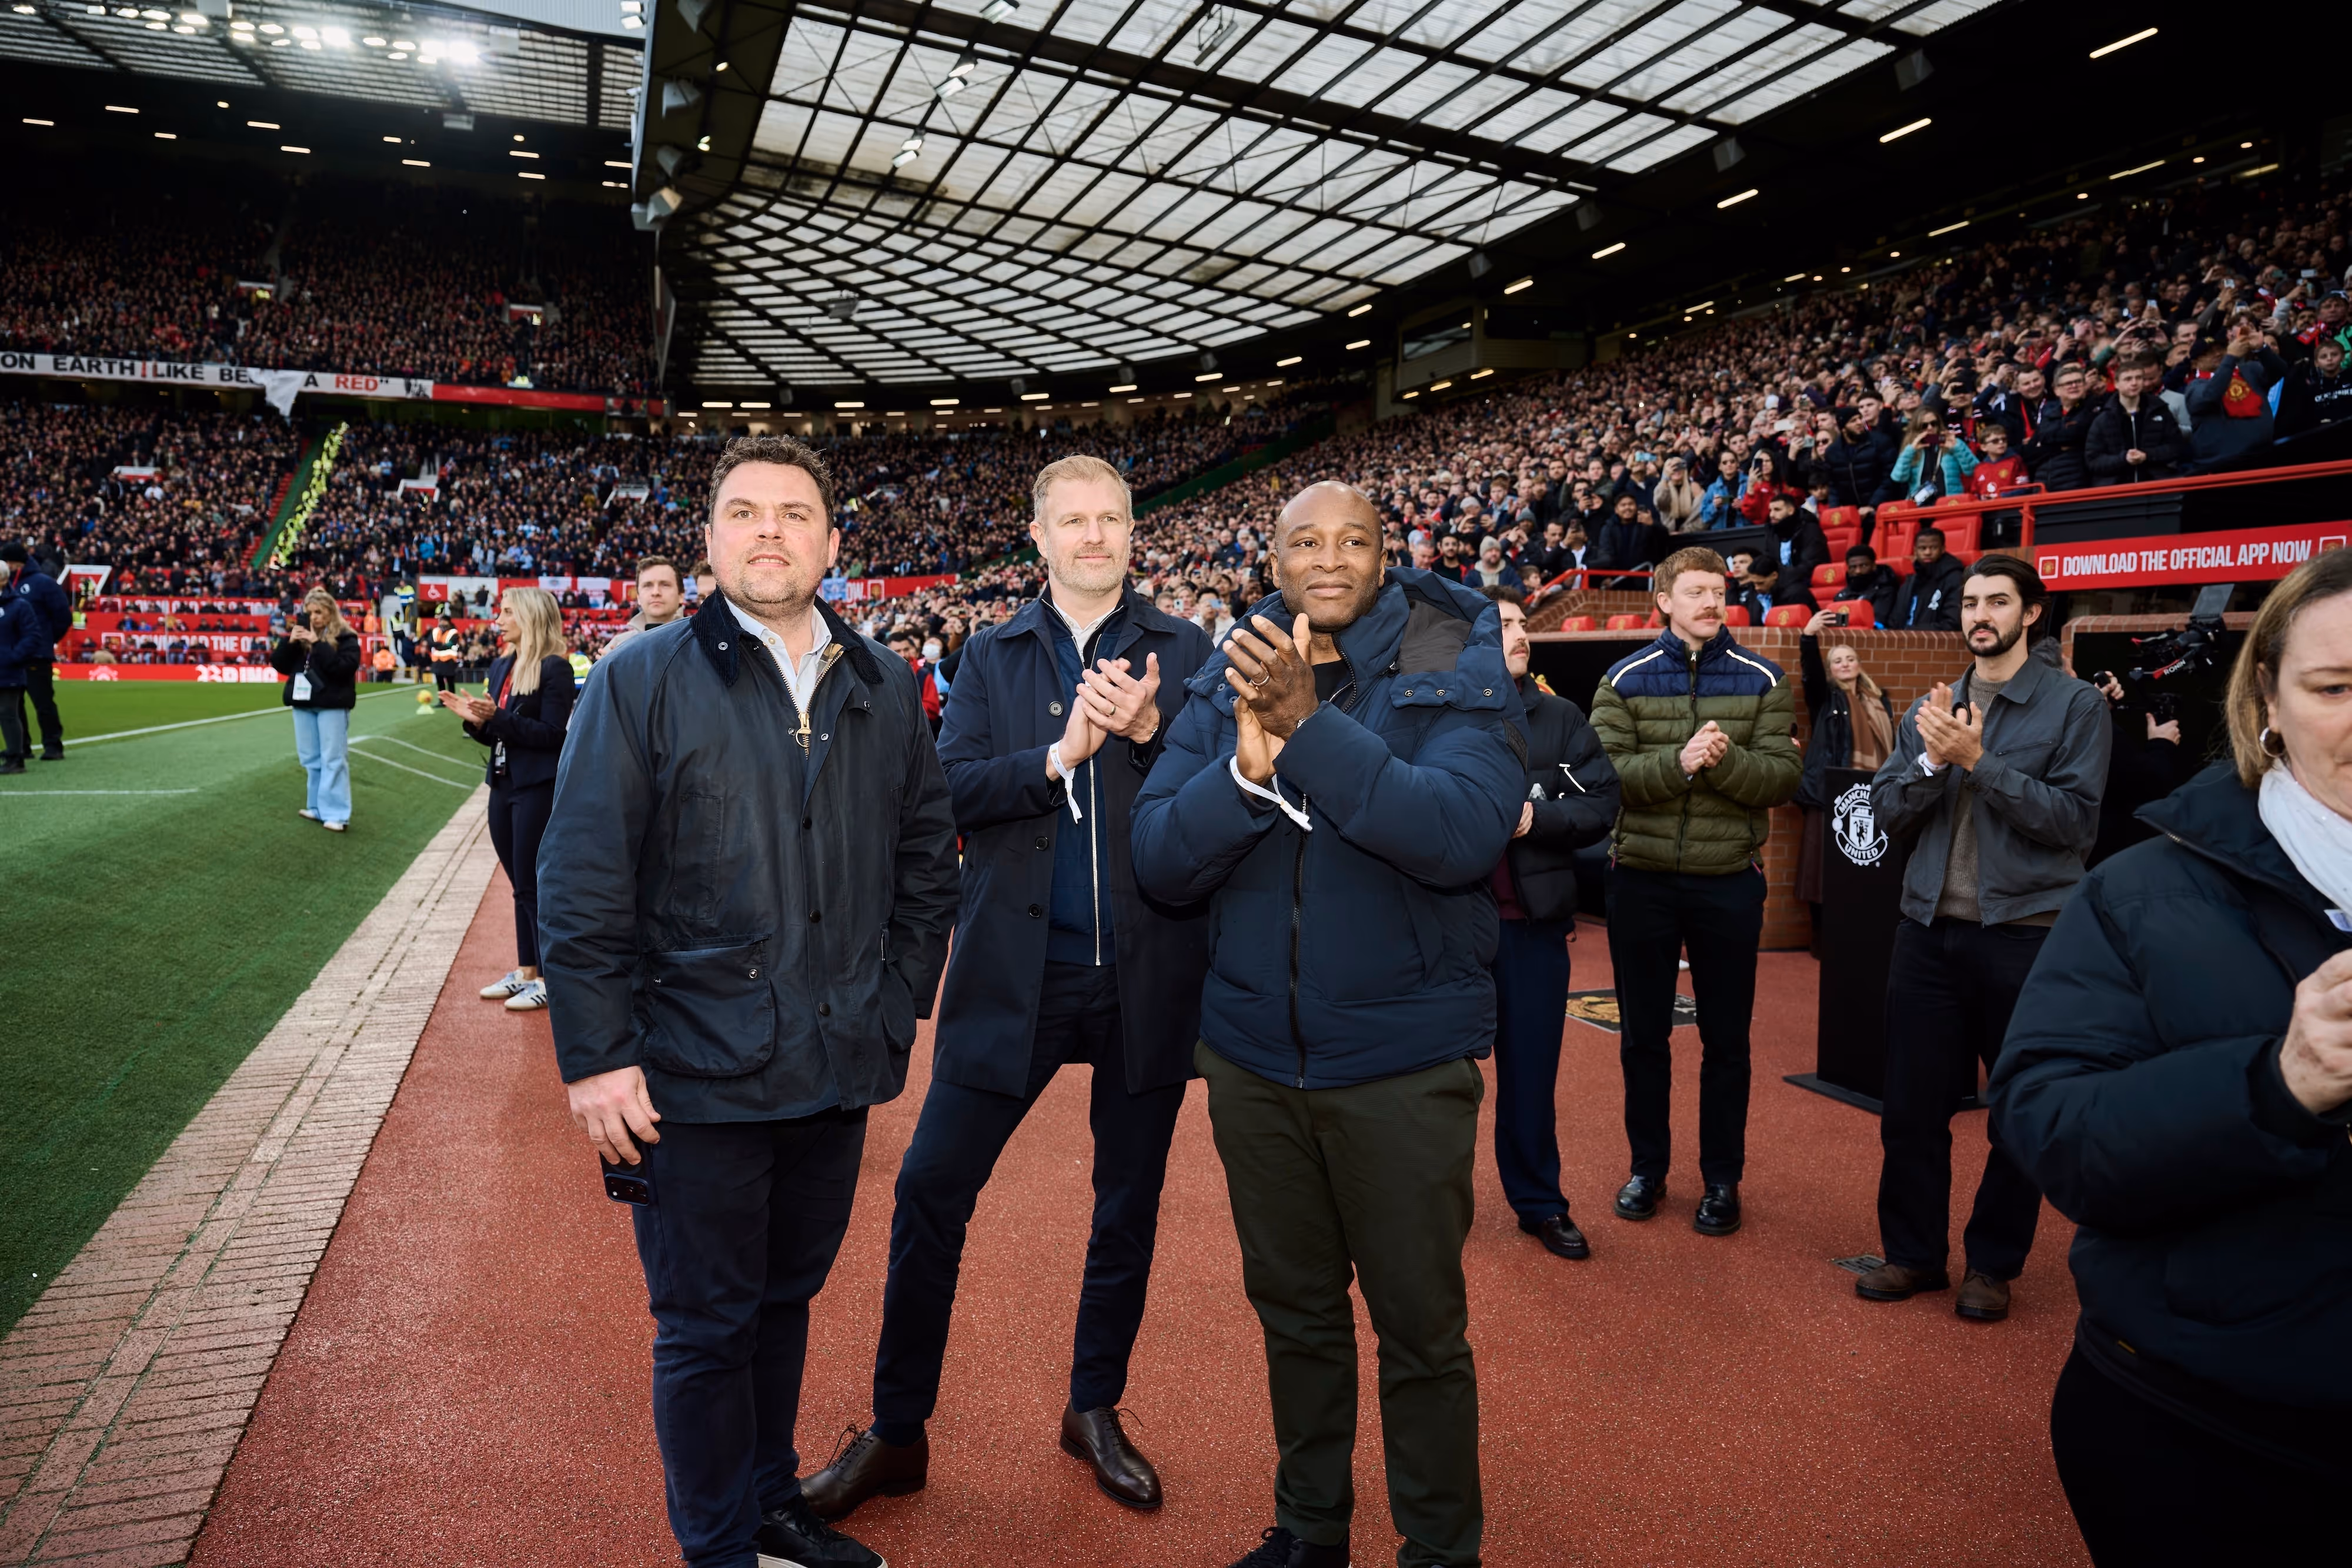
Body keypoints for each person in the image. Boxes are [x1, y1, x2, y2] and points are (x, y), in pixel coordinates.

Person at [536, 434, 960, 1568]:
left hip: (832, 1067)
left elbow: (930, 865)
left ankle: (772, 1500)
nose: (770, 529)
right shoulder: (639, 677)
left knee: (785, 1300)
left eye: (794, 511)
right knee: (706, 1325)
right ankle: (719, 1546)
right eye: (745, 510)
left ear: (831, 540)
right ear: (711, 538)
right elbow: (579, 884)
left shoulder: (881, 683)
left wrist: (892, 1005)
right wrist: (595, 1057)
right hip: (692, 1072)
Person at [802, 455, 1213, 1521]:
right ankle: (898, 1429)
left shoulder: (1184, 649)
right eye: (1072, 521)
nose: (1093, 536)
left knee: (1126, 1204)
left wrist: (1154, 733)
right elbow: (948, 795)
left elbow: (1222, 798)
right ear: (1037, 538)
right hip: (1011, 977)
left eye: (1111, 517)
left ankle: (1094, 1405)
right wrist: (1062, 751)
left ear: (1134, 529)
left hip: (1147, 978)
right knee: (932, 1189)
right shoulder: (990, 653)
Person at [1131, 482, 1524, 1568]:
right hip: (1255, 1061)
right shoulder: (1231, 662)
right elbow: (1158, 856)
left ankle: (1441, 1546)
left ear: (1384, 551)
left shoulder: (1456, 647)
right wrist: (1246, 778)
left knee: (1420, 1330)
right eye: (1306, 541)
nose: (1330, 558)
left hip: (1400, 1062)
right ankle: (1310, 1526)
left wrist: (1306, 729)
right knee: (1295, 1313)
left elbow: (1459, 831)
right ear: (1274, 553)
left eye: (1354, 539)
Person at [1992, 550, 2352, 1563]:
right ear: (2267, 701)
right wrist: (2276, 1085)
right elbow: (2054, 1131)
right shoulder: (2143, 892)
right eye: (2335, 687)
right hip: (2216, 1428)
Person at [1857, 556, 2107, 1322]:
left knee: (2020, 1110)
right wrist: (1934, 757)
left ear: (2031, 613)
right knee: (1910, 1108)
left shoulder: (2075, 706)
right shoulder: (1935, 705)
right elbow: (1889, 812)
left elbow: (2073, 825)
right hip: (1927, 931)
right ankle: (1913, 1255)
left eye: (1997, 600)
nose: (1980, 613)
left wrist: (1980, 763)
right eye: (1970, 601)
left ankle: (1993, 1264)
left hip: (2025, 936)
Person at [1591, 547, 1801, 1235]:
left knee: (1726, 1042)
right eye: (1695, 592)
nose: (1711, 603)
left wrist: (1725, 759)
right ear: (1663, 601)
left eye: (1718, 591)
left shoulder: (1764, 678)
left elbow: (1778, 780)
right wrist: (1678, 764)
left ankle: (1721, 1181)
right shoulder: (1621, 679)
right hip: (1642, 882)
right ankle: (1646, 1169)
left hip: (1727, 886)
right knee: (1643, 1039)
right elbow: (1607, 779)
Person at [1482, 585, 1621, 1259]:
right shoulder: (1437, 716)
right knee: (1434, 1081)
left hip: (1534, 934)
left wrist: (1539, 819)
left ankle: (1538, 1202)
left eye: (1521, 624)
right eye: (1503, 624)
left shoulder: (1560, 717)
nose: (1519, 635)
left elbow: (1602, 803)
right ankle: (1428, 1207)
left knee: (1531, 1077)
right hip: (1450, 931)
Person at [442, 586, 575, 1013]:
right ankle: (527, 971)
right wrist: (475, 723)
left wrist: (496, 718)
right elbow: (499, 728)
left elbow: (554, 735)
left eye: (506, 612)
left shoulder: (554, 667)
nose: (498, 619)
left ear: (530, 617)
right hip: (502, 781)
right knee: (519, 885)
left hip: (536, 785)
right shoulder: (502, 665)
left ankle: (552, 979)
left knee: (534, 885)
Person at [1793, 609, 1895, 921]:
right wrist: (1808, 637)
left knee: (1861, 864)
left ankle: (1856, 935)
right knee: (1821, 869)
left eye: (1850, 659)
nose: (1845, 664)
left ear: (1859, 665)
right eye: (1838, 661)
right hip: (1829, 794)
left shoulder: (1879, 700)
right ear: (1831, 670)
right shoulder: (1824, 698)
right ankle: (1822, 939)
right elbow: (1809, 669)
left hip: (1870, 793)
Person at [269, 587, 362, 831]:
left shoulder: (347, 638)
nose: (314, 618)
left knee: (333, 758)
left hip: (332, 704)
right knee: (311, 759)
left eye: (319, 612)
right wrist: (290, 642)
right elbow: (279, 665)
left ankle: (337, 814)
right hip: (304, 704)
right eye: (309, 612)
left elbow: (343, 669)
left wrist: (318, 644)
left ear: (331, 612)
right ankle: (318, 807)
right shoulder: (299, 639)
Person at [2087, 671, 2191, 867]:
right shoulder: (2088, 726)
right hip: (2109, 858)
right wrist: (2162, 744)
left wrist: (2098, 709)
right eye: (2069, 671)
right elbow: (2149, 784)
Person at [1, 541, 68, 760]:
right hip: (12, 658)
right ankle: (21, 747)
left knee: (43, 702)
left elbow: (63, 617)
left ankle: (52, 745)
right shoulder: (6, 585)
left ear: (14, 562)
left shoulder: (44, 584)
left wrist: (47, 641)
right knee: (14, 706)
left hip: (37, 655)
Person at [2086, 352, 2186, 485]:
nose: (2134, 383)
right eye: (2128, 379)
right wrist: (2123, 459)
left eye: (2139, 378)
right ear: (2116, 383)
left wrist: (2147, 456)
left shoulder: (2160, 410)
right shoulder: (2103, 419)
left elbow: (2176, 447)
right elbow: (2093, 460)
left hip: (2158, 484)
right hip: (2117, 489)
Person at [2023, 362, 2099, 493]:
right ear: (2057, 390)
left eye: (2078, 382)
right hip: (2043, 485)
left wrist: (2047, 444)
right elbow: (2029, 453)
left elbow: (2077, 433)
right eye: (2068, 384)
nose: (2074, 386)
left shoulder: (2094, 409)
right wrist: (2060, 446)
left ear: (2085, 385)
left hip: (2078, 484)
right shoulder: (2049, 414)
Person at [600, 556, 687, 660]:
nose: (656, 592)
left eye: (665, 585)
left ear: (681, 595)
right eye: (648, 585)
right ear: (638, 597)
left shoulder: (700, 642)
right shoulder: (618, 645)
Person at [0, 574, 42, 774]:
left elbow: (33, 636)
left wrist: (13, 657)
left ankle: (16, 758)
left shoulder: (19, 606)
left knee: (8, 713)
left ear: (3, 580)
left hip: (8, 669)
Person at [1889, 524, 1966, 631]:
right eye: (1923, 548)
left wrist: (1911, 632)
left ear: (1943, 549)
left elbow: (1952, 623)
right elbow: (1894, 622)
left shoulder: (1955, 578)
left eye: (1933, 548)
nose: (1928, 552)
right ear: (1915, 551)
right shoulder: (1910, 582)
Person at [1833, 544, 1900, 626]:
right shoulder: (1842, 595)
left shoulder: (1885, 591)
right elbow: (1836, 624)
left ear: (1874, 566)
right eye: (1853, 567)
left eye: (1864, 566)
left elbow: (1877, 622)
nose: (1858, 571)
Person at [427, 604, 463, 691]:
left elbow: (450, 645)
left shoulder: (454, 632)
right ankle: (442, 700)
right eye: (441, 621)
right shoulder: (435, 631)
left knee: (450, 682)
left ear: (449, 622)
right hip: (437, 660)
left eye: (444, 621)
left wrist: (438, 645)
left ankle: (452, 700)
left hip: (449, 661)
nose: (442, 623)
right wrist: (441, 645)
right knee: (440, 683)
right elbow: (430, 643)